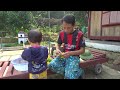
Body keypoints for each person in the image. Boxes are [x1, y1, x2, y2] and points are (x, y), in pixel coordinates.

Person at [48, 15, 86, 79]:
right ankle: (72, 72)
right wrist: (57, 49)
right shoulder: (62, 33)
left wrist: (71, 53)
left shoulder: (79, 34)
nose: (66, 30)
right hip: (64, 55)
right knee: (51, 66)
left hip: (74, 57)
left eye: (68, 28)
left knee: (68, 77)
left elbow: (82, 50)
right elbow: (58, 44)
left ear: (74, 25)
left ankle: (78, 72)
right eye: (64, 27)